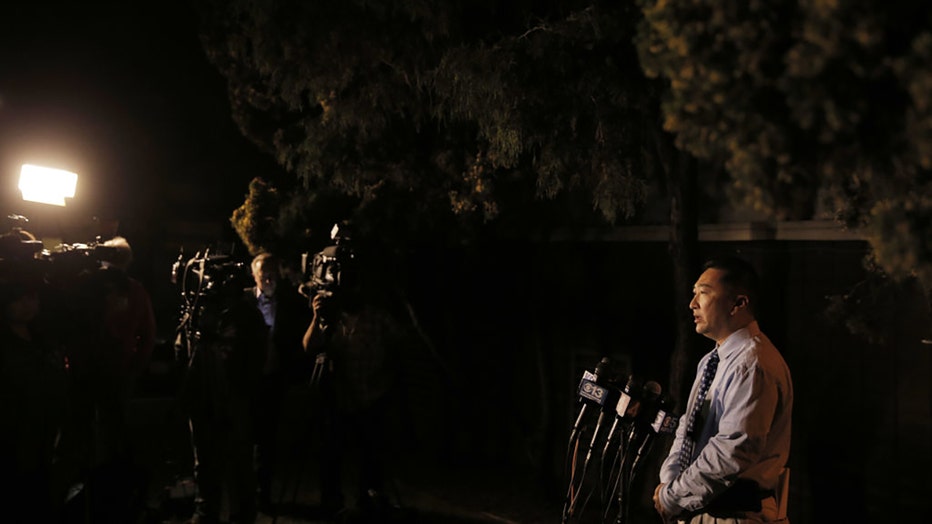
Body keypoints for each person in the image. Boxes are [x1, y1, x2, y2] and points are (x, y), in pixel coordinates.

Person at [653, 256, 793, 523]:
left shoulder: (752, 364)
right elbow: (689, 428)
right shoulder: (713, 361)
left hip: (735, 514)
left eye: (704, 293)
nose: (692, 303)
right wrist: (670, 484)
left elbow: (732, 450)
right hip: (702, 511)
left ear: (738, 304)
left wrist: (673, 496)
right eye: (694, 294)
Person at [302, 264, 401, 521]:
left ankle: (369, 502)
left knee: (370, 457)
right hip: (338, 399)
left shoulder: (378, 318)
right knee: (331, 455)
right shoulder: (331, 318)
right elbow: (309, 347)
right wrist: (316, 318)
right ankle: (332, 503)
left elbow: (397, 349)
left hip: (371, 398)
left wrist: (387, 381)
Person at [181, 261, 268, 524]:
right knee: (205, 464)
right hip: (204, 400)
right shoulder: (200, 311)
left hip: (236, 399)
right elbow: (185, 354)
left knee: (239, 465)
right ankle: (206, 510)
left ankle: (241, 514)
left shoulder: (248, 316)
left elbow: (256, 359)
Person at [0, 256, 69, 522]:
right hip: (14, 439)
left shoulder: (41, 339)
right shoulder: (7, 345)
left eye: (32, 298)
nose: (27, 305)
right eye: (19, 299)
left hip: (43, 436)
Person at [245, 252, 313, 513]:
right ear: (255, 275)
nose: (270, 279)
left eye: (273, 273)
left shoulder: (291, 303)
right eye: (264, 274)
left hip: (274, 379)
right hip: (248, 379)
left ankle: (263, 494)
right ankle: (245, 492)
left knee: (267, 441)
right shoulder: (243, 300)